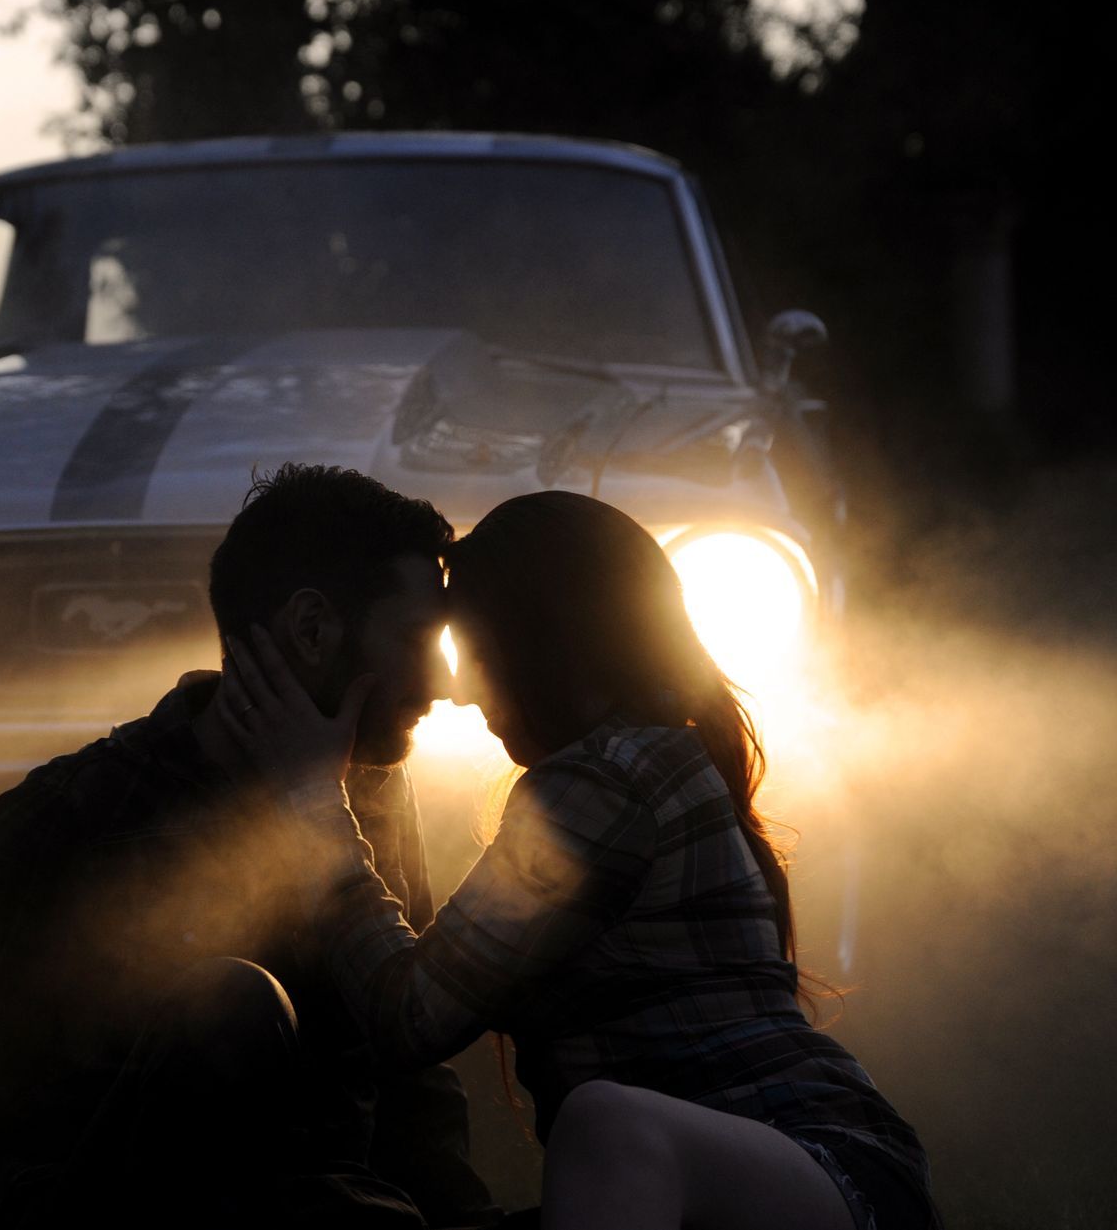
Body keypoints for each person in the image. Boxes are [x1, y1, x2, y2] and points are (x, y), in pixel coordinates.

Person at [215, 490, 941, 1230]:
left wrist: (313, 801)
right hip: (772, 1184)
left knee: (604, 1122)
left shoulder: (607, 781)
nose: (458, 690)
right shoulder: (642, 756)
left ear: (543, 643)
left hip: (825, 1172)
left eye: (475, 653)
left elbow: (411, 1015)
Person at [0, 465, 502, 1230]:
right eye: (417, 638)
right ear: (312, 629)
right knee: (230, 1004)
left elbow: (409, 1078)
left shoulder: (366, 792)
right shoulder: (79, 813)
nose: (444, 680)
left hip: (346, 1211)